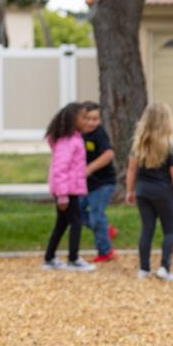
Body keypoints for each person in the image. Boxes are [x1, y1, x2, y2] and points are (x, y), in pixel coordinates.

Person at [130, 102, 173, 281]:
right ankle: (164, 268)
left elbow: (132, 170)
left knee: (147, 228)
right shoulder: (171, 145)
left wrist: (130, 190)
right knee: (170, 230)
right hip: (163, 191)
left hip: (143, 191)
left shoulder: (139, 143)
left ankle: (144, 269)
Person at [43, 102, 94, 271]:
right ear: (73, 119)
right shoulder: (68, 141)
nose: (86, 121)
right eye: (83, 118)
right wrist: (62, 195)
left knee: (62, 224)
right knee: (76, 222)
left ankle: (49, 258)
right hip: (67, 191)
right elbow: (60, 168)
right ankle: (73, 259)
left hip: (69, 189)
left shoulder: (74, 138)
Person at [77, 101, 118, 262]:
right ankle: (106, 229)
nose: (92, 122)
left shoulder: (99, 134)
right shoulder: (78, 134)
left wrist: (90, 168)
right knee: (76, 213)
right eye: (88, 119)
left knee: (96, 214)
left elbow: (108, 154)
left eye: (96, 119)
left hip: (102, 183)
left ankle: (105, 251)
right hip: (84, 184)